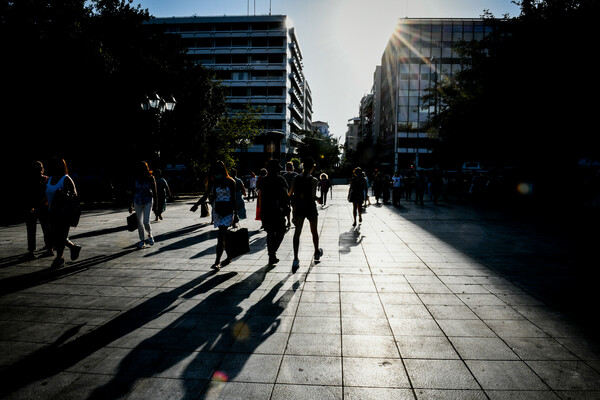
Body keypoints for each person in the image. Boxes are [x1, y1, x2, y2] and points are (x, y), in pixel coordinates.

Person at [190, 161, 237, 270]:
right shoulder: (214, 182)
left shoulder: (231, 182)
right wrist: (196, 205)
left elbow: (234, 199)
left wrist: (236, 214)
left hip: (228, 211)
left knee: (221, 235)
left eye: (216, 171)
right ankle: (229, 256)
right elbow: (205, 195)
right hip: (218, 211)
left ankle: (217, 262)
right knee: (223, 235)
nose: (215, 174)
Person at [45, 157, 81, 268]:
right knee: (56, 236)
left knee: (60, 236)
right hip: (52, 212)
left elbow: (74, 195)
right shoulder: (50, 179)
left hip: (64, 213)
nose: (55, 166)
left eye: (57, 164)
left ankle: (59, 258)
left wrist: (64, 194)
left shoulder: (66, 179)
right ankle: (73, 247)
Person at [289, 157, 322, 269]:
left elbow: (290, 194)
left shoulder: (296, 178)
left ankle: (295, 259)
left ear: (303, 166)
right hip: (310, 208)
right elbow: (312, 196)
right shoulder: (314, 180)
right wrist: (318, 198)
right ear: (312, 167)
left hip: (299, 208)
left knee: (297, 233)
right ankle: (316, 252)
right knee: (314, 231)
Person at [257, 159, 289, 265]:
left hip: (266, 211)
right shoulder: (281, 180)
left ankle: (272, 254)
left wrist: (260, 211)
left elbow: (260, 196)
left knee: (270, 233)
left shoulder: (263, 180)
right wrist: (286, 207)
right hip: (277, 211)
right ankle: (272, 253)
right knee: (281, 231)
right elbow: (285, 195)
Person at [25, 160, 52, 259]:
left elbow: (28, 195)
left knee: (32, 230)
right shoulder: (46, 179)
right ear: (42, 169)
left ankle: (32, 250)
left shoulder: (29, 180)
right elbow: (48, 193)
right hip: (43, 207)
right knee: (46, 228)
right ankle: (49, 248)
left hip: (32, 207)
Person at [129, 161, 158, 249]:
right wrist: (130, 204)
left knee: (146, 221)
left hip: (148, 201)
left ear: (147, 168)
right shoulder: (136, 178)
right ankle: (142, 240)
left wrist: (156, 204)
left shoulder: (151, 178)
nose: (142, 170)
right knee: (139, 222)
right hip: (137, 201)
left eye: (144, 168)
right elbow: (133, 191)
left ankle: (150, 235)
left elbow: (155, 192)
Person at [282, 161, 298, 227]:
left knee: (289, 208)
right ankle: (292, 220)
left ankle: (290, 221)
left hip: (288, 194)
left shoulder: (284, 176)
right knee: (292, 208)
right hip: (293, 194)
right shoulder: (296, 174)